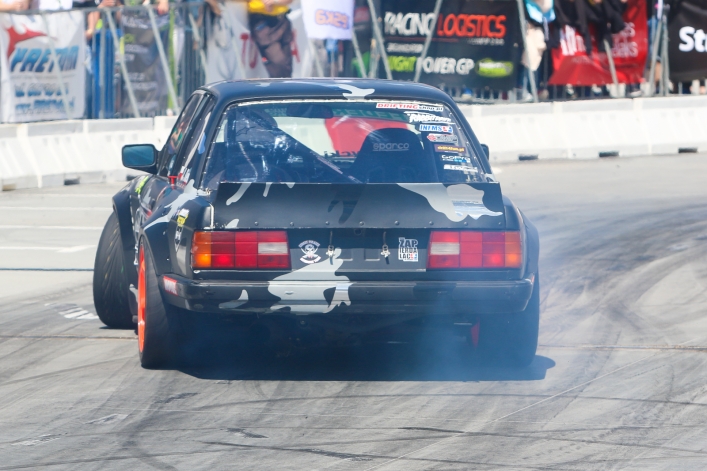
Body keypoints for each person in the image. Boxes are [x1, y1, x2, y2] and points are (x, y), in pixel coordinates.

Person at [241, 0, 294, 78]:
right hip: (262, 20)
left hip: (282, 18)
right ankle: (280, 84)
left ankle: (285, 84)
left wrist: (275, 2)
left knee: (286, 65)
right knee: (278, 63)